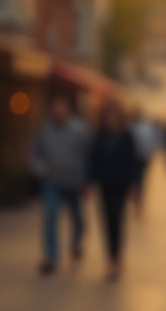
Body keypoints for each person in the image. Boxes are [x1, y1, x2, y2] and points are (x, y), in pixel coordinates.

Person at [28, 92, 91, 276]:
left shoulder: (80, 130)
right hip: (52, 182)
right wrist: (38, 168)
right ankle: (51, 257)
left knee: (78, 219)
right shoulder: (44, 130)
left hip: (75, 183)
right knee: (50, 215)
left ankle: (76, 242)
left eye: (62, 108)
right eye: (55, 108)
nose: (58, 112)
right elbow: (34, 154)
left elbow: (89, 156)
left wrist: (87, 182)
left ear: (68, 110)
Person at [88, 100, 142, 281]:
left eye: (114, 115)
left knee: (117, 219)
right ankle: (110, 258)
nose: (111, 119)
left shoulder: (126, 136)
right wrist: (89, 182)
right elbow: (93, 160)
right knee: (106, 221)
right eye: (108, 115)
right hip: (104, 184)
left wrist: (134, 184)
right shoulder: (99, 136)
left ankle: (117, 258)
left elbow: (133, 161)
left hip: (121, 184)